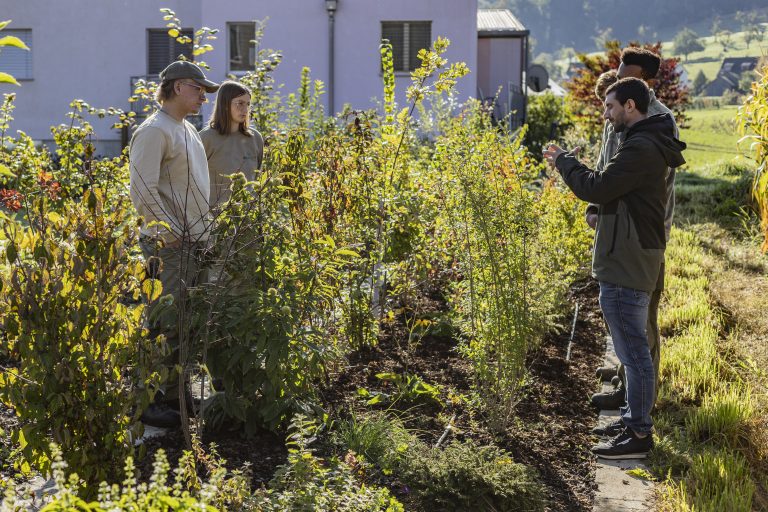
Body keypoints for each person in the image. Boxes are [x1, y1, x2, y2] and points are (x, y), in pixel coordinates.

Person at [543, 77, 686, 459]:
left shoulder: (641, 146)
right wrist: (602, 215)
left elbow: (598, 187)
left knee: (634, 353)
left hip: (627, 259)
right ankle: (633, 420)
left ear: (631, 106)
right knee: (632, 351)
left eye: (610, 107)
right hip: (631, 252)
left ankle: (638, 434)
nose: (606, 114)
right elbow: (618, 195)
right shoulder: (644, 142)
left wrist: (563, 161)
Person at [129, 60, 219, 428]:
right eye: (198, 89)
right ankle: (149, 402)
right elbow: (142, 190)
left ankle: (173, 395)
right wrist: (169, 233)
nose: (203, 97)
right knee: (164, 322)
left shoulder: (187, 130)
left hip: (191, 241)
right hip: (168, 245)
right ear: (178, 86)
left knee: (183, 323)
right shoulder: (154, 131)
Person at [590, 48, 678, 415]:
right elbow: (605, 163)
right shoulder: (620, 114)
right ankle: (626, 389)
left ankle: (642, 402)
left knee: (642, 322)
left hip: (642, 232)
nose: (621, 78)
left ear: (647, 80)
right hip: (615, 227)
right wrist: (596, 206)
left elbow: (655, 183)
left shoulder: (659, 121)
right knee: (622, 316)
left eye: (630, 75)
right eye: (619, 72)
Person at [200, 80, 264, 210]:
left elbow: (257, 178)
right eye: (239, 103)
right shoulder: (205, 138)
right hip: (214, 220)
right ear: (224, 104)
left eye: (248, 104)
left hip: (248, 219)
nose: (245, 110)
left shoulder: (255, 138)